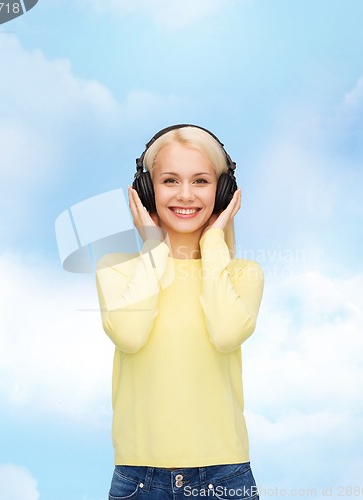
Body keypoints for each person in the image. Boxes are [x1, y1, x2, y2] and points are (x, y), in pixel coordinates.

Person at [95, 125, 264, 499]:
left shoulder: (241, 275)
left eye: (201, 181)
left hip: (225, 478)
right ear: (145, 192)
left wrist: (214, 241)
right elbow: (129, 334)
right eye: (170, 180)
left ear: (221, 193)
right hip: (139, 481)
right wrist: (154, 248)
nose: (185, 194)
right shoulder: (116, 269)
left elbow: (225, 334)